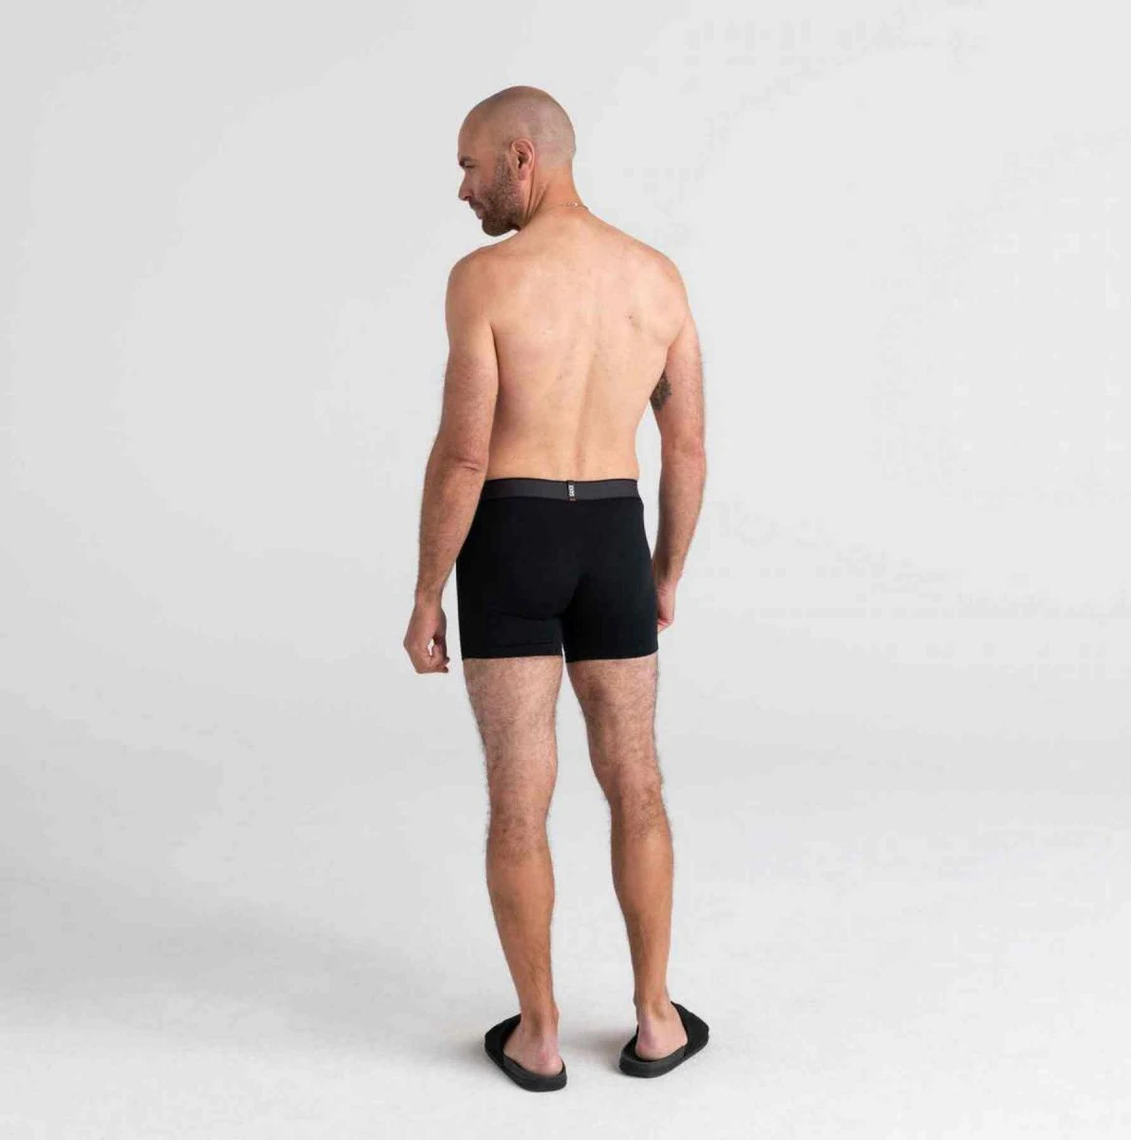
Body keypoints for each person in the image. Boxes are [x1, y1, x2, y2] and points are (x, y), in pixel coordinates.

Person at [403, 85, 708, 1090]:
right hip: (613, 533)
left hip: (514, 533)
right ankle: (656, 1020)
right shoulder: (655, 278)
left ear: (521, 159)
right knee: (637, 782)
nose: (463, 189)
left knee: (518, 800)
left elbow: (463, 455)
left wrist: (427, 592)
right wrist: (663, 570)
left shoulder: (485, 280)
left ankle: (538, 1036)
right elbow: (687, 448)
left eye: (469, 165)